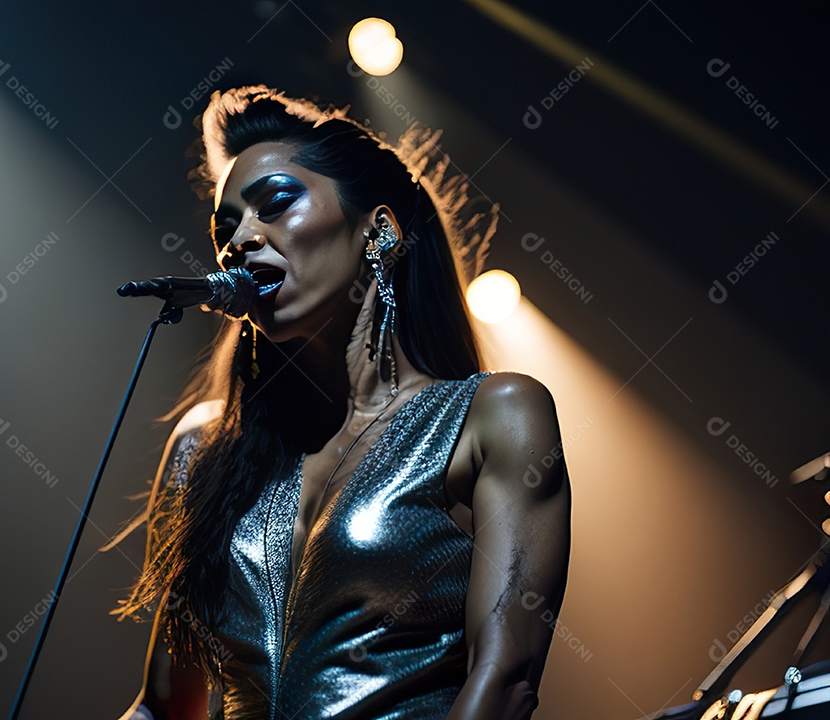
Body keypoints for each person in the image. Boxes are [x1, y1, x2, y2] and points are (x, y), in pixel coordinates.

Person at [103, 85, 571, 720]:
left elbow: (504, 681)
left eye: (275, 204)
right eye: (226, 227)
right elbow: (164, 707)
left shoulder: (495, 417)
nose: (240, 239)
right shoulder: (204, 448)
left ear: (376, 232)